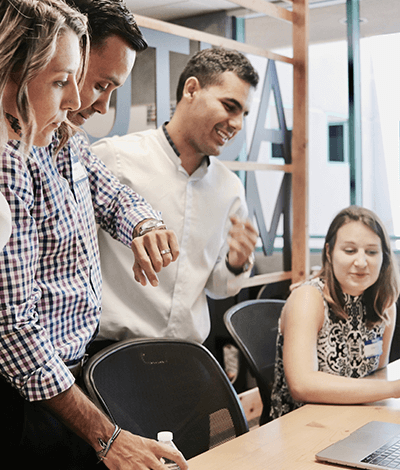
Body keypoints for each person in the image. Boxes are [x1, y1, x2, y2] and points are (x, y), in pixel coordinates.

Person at [0, 1, 186, 469]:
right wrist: (107, 439)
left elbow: (116, 197)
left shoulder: (65, 141)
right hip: (25, 391)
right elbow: (14, 328)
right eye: (89, 83)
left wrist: (145, 225)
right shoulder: (12, 161)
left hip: (66, 376)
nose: (92, 104)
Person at [92, 47, 260, 346]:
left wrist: (236, 263)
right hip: (111, 351)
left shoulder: (229, 187)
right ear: (191, 89)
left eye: (243, 114)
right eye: (229, 106)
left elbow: (218, 287)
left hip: (188, 355)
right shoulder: (114, 159)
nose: (237, 124)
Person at [270, 206, 400, 422]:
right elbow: (302, 385)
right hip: (301, 426)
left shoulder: (384, 305)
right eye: (349, 251)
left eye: (372, 252)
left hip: (354, 417)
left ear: (384, 257)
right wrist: (394, 389)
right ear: (329, 252)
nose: (361, 262)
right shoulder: (308, 298)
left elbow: (375, 376)